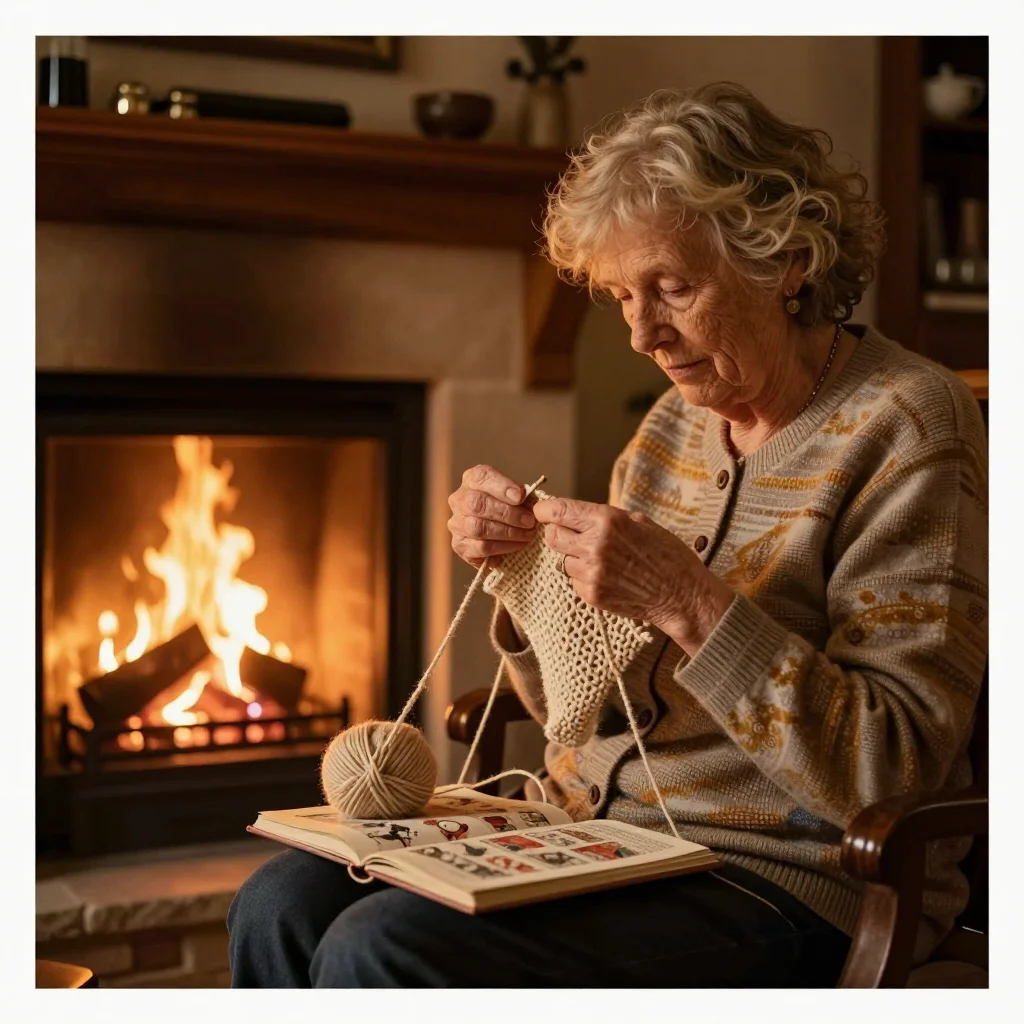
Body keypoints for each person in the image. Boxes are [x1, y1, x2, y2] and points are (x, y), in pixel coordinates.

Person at [227, 82, 987, 987]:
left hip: (792, 875)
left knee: (379, 947)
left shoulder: (906, 424)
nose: (642, 333)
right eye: (623, 295)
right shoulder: (669, 428)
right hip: (600, 834)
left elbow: (890, 763)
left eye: (672, 287)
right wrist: (521, 586)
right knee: (278, 901)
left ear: (786, 260)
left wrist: (690, 603)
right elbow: (578, 718)